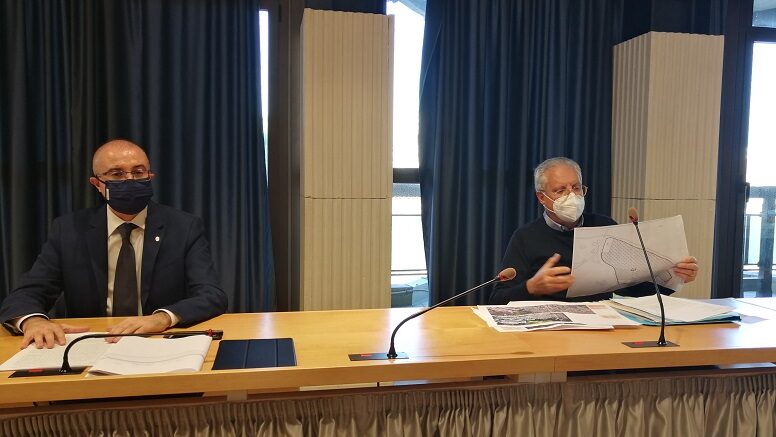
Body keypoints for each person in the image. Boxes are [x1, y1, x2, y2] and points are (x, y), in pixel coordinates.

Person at [0, 139, 228, 348]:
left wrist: (162, 318)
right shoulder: (69, 230)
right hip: (93, 341)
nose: (130, 180)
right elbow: (27, 293)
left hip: (158, 340)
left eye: (138, 172)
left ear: (150, 176)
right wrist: (34, 321)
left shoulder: (183, 227)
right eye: (117, 174)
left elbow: (211, 295)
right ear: (97, 184)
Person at [489, 157, 699, 305]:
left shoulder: (604, 225)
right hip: (550, 331)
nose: (572, 196)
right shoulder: (526, 237)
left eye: (576, 187)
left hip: (602, 326)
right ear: (542, 197)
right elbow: (497, 300)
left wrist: (674, 278)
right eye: (560, 190)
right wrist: (531, 288)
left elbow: (630, 286)